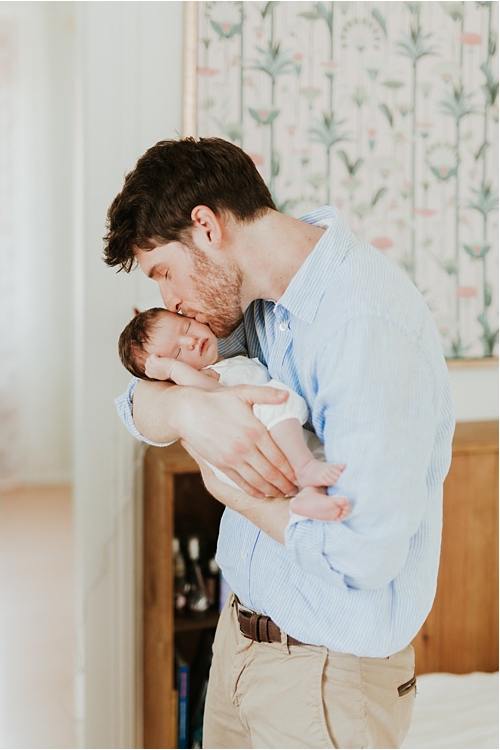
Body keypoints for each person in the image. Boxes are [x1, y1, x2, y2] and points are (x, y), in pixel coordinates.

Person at [104, 136, 453, 748]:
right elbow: (135, 402)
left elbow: (365, 556)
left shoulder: (363, 324)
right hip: (240, 648)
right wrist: (186, 407)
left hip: (326, 677)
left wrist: (241, 499)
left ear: (206, 227)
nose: (171, 303)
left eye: (164, 272)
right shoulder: (257, 307)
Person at [119, 307, 350, 522]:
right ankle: (305, 470)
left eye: (186, 327)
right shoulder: (205, 378)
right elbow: (212, 397)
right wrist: (173, 369)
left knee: (316, 452)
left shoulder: (226, 354)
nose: (190, 342)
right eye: (177, 353)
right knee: (277, 400)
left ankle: (310, 495)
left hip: (275, 439)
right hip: (256, 442)